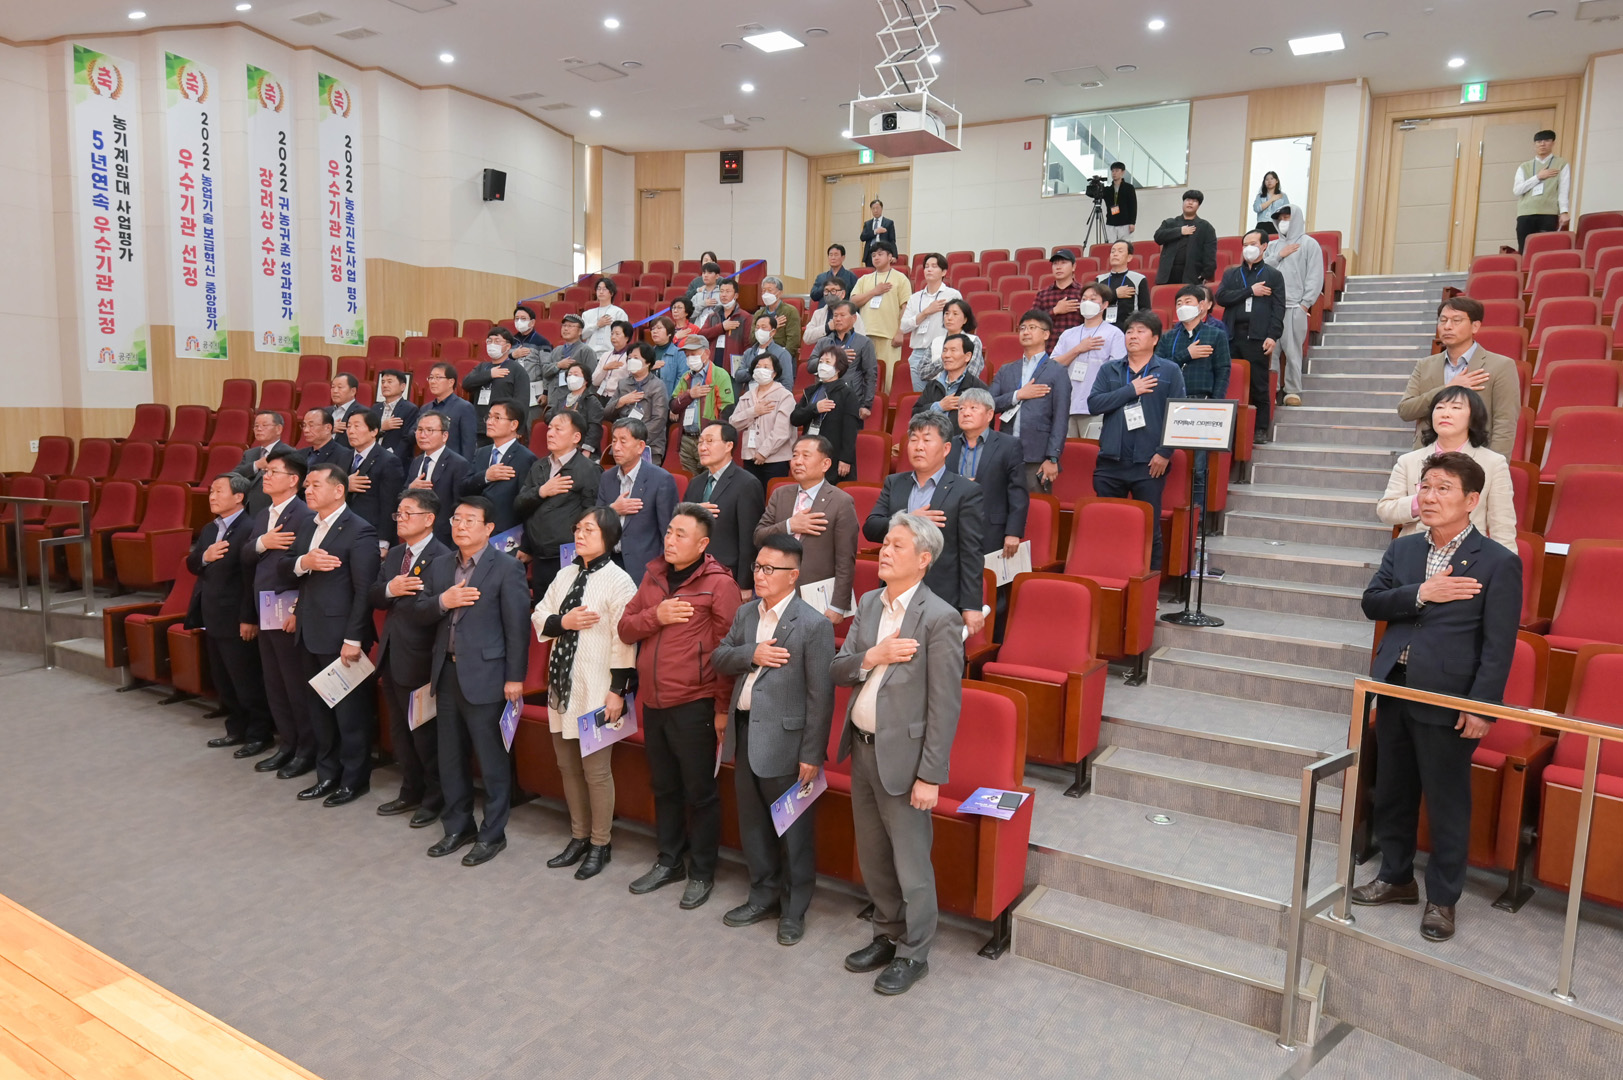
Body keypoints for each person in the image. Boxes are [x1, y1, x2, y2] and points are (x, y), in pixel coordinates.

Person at [1355, 451, 1521, 942]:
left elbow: (1499, 645)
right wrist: (1422, 593)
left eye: (1443, 488)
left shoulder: (1499, 562)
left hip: (1450, 697)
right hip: (1395, 685)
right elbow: (1372, 603)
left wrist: (1481, 707)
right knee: (1394, 791)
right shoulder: (1404, 550)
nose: (1429, 497)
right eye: (1425, 486)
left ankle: (1443, 900)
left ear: (1471, 500)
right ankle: (1396, 878)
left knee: (1447, 803)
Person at [831, 512, 964, 995]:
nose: (884, 551)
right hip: (862, 750)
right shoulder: (869, 603)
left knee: (911, 865)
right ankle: (887, 934)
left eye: (897, 545)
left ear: (923, 559)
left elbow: (945, 706)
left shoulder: (940, 617)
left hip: (906, 763)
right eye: (884, 543)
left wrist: (931, 776)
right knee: (874, 857)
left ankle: (915, 952)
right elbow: (838, 668)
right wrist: (873, 656)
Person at [618, 504, 744, 910]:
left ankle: (702, 871)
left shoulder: (719, 584)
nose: (670, 540)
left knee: (700, 792)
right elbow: (626, 627)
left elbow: (728, 652)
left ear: (702, 544)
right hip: (652, 700)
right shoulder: (653, 574)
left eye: (680, 534)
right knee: (664, 786)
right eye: (669, 531)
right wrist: (657, 615)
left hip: (695, 702)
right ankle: (669, 860)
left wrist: (722, 708)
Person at [713, 533, 837, 945]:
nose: (760, 575)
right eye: (757, 567)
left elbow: (821, 697)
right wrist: (752, 654)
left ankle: (794, 909)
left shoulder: (813, 625)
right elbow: (720, 657)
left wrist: (812, 754)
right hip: (745, 732)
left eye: (770, 569)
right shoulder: (746, 614)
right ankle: (762, 896)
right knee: (753, 826)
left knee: (793, 832)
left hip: (787, 743)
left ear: (793, 575)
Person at [412, 496, 531, 867]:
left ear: (489, 528)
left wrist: (515, 677)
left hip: (488, 677)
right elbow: (419, 611)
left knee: (492, 761)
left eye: (469, 520)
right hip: (446, 673)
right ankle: (458, 826)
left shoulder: (507, 567)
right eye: (456, 519)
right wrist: (443, 601)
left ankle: (493, 834)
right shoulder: (440, 564)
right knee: (450, 757)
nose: (460, 526)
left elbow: (517, 628)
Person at [535, 506, 638, 881]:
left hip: (598, 689)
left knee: (596, 772)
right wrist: (564, 621)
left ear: (609, 537)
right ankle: (578, 836)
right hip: (563, 686)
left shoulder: (620, 581)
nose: (579, 535)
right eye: (577, 529)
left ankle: (600, 843)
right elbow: (540, 615)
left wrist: (617, 691)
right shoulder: (564, 574)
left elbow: (624, 640)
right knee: (567, 766)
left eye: (589, 530)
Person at [278, 461, 381, 807]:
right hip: (309, 630)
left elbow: (365, 590)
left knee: (349, 715)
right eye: (306, 485)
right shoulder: (308, 525)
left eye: (315, 485)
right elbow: (284, 566)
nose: (307, 490)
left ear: (339, 490)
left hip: (341, 637)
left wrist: (353, 639)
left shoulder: (360, 530)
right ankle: (327, 775)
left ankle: (354, 780)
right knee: (319, 710)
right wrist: (304, 563)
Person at [369, 488, 450, 829]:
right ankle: (410, 789)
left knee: (424, 734)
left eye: (407, 513)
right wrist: (392, 589)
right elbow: (375, 594)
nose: (400, 519)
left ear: (429, 519)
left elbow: (437, 611)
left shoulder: (443, 557)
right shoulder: (394, 554)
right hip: (391, 654)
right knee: (400, 732)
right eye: (398, 514)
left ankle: (434, 797)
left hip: (421, 658)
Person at [863, 413, 986, 636]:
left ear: (946, 448)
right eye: (914, 439)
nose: (919, 446)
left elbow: (971, 552)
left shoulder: (965, 491)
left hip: (941, 594)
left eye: (927, 440)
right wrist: (910, 519)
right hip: (893, 593)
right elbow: (871, 528)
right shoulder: (895, 483)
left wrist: (971, 605)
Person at [1088, 311, 1187, 571]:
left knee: (1148, 527)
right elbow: (1094, 404)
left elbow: (1178, 415)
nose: (1133, 335)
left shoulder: (1169, 370)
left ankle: (1149, 584)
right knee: (1107, 526)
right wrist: (1131, 390)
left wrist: (1165, 453)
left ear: (1154, 339)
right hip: (1110, 462)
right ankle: (1110, 576)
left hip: (1149, 463)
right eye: (1129, 331)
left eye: (1140, 331)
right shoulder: (1109, 369)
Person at [188, 472, 274, 757]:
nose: (212, 496)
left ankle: (259, 734)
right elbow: (192, 562)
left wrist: (249, 617)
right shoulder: (210, 529)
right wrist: (205, 556)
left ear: (239, 497)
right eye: (211, 491)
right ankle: (236, 728)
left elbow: (251, 579)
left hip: (237, 618)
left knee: (246, 680)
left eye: (218, 491)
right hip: (212, 615)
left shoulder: (250, 528)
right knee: (224, 681)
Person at [241, 449, 315, 777]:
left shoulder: (305, 515)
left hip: (288, 608)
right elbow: (246, 554)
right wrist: (263, 542)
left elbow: (308, 570)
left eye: (273, 472)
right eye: (266, 472)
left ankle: (306, 749)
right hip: (264, 606)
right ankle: (287, 744)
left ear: (293, 480)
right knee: (274, 682)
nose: (266, 477)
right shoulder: (262, 514)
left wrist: (299, 609)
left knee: (295, 684)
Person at [1378, 387, 1516, 549]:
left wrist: (1505, 563)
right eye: (1440, 407)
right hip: (1415, 550)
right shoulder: (1408, 461)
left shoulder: (1493, 463)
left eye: (1456, 407)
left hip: (1468, 553)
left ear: (1473, 417)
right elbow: (1386, 510)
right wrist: (1422, 500)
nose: (1445, 414)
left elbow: (1502, 526)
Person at [753, 435, 860, 622]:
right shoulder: (780, 494)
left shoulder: (841, 502)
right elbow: (758, 537)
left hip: (815, 596)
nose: (798, 461)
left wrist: (838, 606)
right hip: (775, 592)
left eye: (806, 456)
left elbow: (845, 559)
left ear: (825, 464)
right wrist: (789, 525)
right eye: (795, 455)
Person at [1397, 297, 1518, 458]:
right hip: (1427, 457)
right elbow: (1405, 410)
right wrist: (1448, 388)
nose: (1447, 326)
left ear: (1475, 326)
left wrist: (1494, 465)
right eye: (1443, 320)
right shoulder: (1424, 365)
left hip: (1474, 458)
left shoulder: (1501, 366)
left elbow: (1505, 423)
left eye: (1456, 320)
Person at [514, 410, 603, 599]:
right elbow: (521, 505)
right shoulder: (539, 466)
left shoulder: (588, 470)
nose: (550, 433)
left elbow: (592, 514)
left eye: (558, 429)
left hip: (568, 557)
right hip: (539, 556)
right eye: (549, 428)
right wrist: (541, 491)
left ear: (576, 437)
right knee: (542, 611)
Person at [1157, 283, 1231, 509]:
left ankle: (1197, 514)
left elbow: (1223, 371)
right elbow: (1159, 367)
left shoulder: (1216, 335)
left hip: (1202, 404)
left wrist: (1216, 405)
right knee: (1169, 459)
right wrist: (1187, 354)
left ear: (1201, 306)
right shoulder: (1168, 337)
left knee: (1199, 465)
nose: (1182, 306)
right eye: (1178, 303)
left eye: (1187, 302)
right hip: (1170, 405)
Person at [1215, 231, 1288, 444]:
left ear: (1264, 246)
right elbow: (1221, 297)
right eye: (1245, 244)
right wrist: (1250, 291)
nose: (1248, 248)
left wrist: (1273, 336)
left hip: (1257, 337)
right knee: (1228, 381)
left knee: (1259, 384)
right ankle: (1227, 428)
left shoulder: (1274, 275)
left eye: (1253, 243)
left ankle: (1260, 428)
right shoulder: (1232, 274)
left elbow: (1278, 309)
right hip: (1231, 335)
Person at [989, 309, 1069, 492]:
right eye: (1023, 328)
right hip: (1005, 451)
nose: (1025, 332)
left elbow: (1061, 418)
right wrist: (1018, 395)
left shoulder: (1057, 371)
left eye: (1032, 328)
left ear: (1046, 334)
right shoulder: (1007, 370)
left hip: (1037, 455)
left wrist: (1052, 458)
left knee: (1035, 505)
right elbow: (987, 404)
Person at [596, 417, 678, 586]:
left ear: (640, 446)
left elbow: (668, 531)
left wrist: (662, 572)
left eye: (623, 441)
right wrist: (612, 510)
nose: (616, 447)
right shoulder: (607, 477)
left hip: (644, 568)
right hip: (609, 564)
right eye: (614, 441)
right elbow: (595, 520)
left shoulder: (661, 479)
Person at [687, 421, 767, 592]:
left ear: (728, 446)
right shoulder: (695, 483)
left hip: (727, 575)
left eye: (710, 441)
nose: (702, 447)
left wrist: (745, 584)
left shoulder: (747, 483)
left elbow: (749, 539)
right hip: (692, 572)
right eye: (700, 442)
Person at [946, 388, 1027, 557]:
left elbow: (1018, 493)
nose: (965, 413)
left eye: (973, 408)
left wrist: (1013, 532)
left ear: (990, 415)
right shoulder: (949, 446)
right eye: (961, 409)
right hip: (952, 529)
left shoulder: (1009, 445)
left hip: (992, 530)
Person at [1262, 203, 1323, 408]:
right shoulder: (1272, 246)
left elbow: (1315, 275)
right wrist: (1280, 255)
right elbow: (1261, 270)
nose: (1283, 222)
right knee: (1270, 352)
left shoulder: (1309, 244)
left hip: (1295, 307)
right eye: (1280, 218)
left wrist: (1305, 304)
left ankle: (1292, 390)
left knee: (1293, 351)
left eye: (1287, 218)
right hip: (1271, 308)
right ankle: (1272, 390)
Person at [1053, 282, 1127, 439]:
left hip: (1097, 408)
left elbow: (1118, 371)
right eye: (1084, 299)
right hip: (1067, 407)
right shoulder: (1068, 334)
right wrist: (1078, 349)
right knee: (1068, 451)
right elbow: (1053, 366)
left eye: (1093, 299)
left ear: (1105, 305)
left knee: (1092, 450)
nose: (1087, 303)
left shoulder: (1114, 334)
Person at [458, 401, 538, 536]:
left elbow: (526, 503)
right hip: (476, 530)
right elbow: (463, 488)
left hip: (506, 534)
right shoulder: (481, 452)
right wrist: (485, 476)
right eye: (489, 417)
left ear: (514, 425)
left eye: (497, 418)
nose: (490, 422)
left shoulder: (525, 458)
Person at [792, 344, 861, 483]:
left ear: (838, 368)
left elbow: (850, 429)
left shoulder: (847, 393)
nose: (823, 365)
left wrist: (846, 459)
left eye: (828, 362)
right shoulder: (810, 391)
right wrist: (814, 408)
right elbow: (795, 418)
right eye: (821, 361)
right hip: (810, 451)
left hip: (834, 454)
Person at [730, 349, 797, 488]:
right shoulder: (747, 396)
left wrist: (763, 452)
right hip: (750, 456)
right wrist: (753, 411)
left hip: (775, 459)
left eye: (766, 367)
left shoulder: (784, 396)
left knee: (773, 495)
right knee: (752, 496)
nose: (761, 370)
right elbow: (733, 422)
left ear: (774, 373)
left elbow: (782, 431)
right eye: (758, 367)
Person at [404, 412, 472, 548]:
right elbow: (402, 495)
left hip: (443, 537)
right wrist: (410, 489)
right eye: (420, 430)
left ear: (445, 436)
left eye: (430, 430)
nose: (423, 435)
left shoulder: (458, 464)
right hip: (415, 533)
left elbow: (460, 504)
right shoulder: (416, 462)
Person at [671, 336, 736, 474]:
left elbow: (727, 409)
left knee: (711, 479)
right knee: (690, 482)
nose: (690, 358)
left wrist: (717, 438)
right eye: (687, 355)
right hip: (687, 440)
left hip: (709, 440)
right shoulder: (686, 377)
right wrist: (689, 395)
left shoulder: (720, 375)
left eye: (693, 354)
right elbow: (673, 406)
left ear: (706, 353)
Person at [899, 253, 962, 391]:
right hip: (917, 353)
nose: (929, 269)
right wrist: (926, 312)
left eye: (934, 266)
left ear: (943, 272)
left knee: (942, 396)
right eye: (926, 266)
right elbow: (904, 326)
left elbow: (959, 323)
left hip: (942, 352)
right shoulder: (915, 298)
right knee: (921, 399)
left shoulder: (952, 295)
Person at [343, 409, 405, 549]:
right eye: (348, 426)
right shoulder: (343, 457)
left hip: (370, 533)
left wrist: (383, 541)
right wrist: (345, 484)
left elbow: (390, 505)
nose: (351, 431)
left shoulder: (389, 461)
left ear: (374, 431)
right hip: (344, 529)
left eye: (357, 426)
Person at [850, 242, 911, 383]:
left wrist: (900, 332)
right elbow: (853, 301)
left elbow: (906, 307)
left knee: (887, 379)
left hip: (889, 336)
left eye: (880, 254)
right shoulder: (864, 279)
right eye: (873, 255)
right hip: (865, 335)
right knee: (864, 377)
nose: (876, 258)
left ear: (890, 257)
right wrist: (874, 292)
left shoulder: (900, 278)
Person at [603, 341, 671, 465]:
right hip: (623, 445)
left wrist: (635, 440)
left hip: (649, 445)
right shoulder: (623, 383)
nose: (631, 361)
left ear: (648, 362)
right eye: (629, 358)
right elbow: (606, 413)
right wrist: (621, 401)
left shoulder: (657, 385)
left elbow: (659, 420)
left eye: (636, 358)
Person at [912, 332, 989, 439]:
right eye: (945, 350)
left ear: (967, 357)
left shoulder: (978, 388)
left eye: (953, 350)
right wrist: (939, 406)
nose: (947, 355)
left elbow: (985, 426)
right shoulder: (933, 385)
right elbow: (915, 414)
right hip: (932, 443)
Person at [465, 327, 532, 440]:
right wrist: (489, 374)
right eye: (489, 341)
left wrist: (519, 428)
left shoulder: (517, 370)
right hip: (481, 427)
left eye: (497, 341)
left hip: (504, 428)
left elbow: (522, 401)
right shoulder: (482, 367)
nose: (492, 344)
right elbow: (467, 384)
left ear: (508, 346)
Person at [815, 300, 879, 419]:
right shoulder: (824, 342)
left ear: (854, 318)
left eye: (842, 315)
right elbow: (810, 366)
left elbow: (870, 375)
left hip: (851, 400)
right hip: (824, 398)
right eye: (835, 315)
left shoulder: (864, 342)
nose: (838, 319)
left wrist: (866, 405)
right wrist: (834, 356)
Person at [1513, 129, 1571, 252]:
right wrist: (1538, 177)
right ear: (1534, 145)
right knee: (1525, 250)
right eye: (1539, 141)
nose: (1542, 144)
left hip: (1548, 213)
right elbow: (1517, 190)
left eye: (1546, 140)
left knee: (1546, 249)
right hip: (1525, 213)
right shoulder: (1524, 166)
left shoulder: (1561, 164)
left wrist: (1564, 211)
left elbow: (1563, 190)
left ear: (1553, 143)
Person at [538, 314, 598, 429]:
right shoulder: (557, 350)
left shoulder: (586, 351)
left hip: (573, 404)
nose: (566, 329)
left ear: (580, 331)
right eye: (564, 326)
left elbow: (592, 379)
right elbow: (545, 372)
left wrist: (584, 403)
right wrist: (558, 365)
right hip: (554, 401)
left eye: (570, 326)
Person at [412, 363, 478, 461]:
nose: (433, 381)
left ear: (451, 382)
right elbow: (414, 433)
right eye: (431, 378)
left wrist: (465, 467)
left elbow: (468, 444)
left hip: (452, 464)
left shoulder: (464, 407)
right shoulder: (425, 408)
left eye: (438, 378)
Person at [235, 409, 296, 513]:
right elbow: (234, 476)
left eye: (264, 425)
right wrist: (256, 465)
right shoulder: (250, 453)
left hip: (271, 510)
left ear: (279, 429)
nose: (259, 429)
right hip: (245, 509)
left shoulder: (288, 453)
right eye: (256, 426)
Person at [543, 356, 606, 457]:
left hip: (581, 449)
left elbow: (595, 428)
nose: (572, 377)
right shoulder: (562, 399)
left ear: (585, 380)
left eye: (576, 375)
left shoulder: (591, 400)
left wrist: (587, 449)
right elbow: (548, 417)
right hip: (560, 446)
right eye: (569, 375)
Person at [1154, 189, 1217, 286]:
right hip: (1167, 276)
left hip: (1192, 276)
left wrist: (1204, 275)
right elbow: (1158, 237)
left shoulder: (1206, 227)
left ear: (1198, 206)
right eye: (1188, 200)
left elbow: (1210, 254)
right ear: (1183, 202)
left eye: (1194, 201)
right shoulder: (1170, 223)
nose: (1190, 203)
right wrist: (1179, 231)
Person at [732, 312, 796, 394]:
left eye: (763, 327)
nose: (759, 330)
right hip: (750, 395)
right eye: (757, 327)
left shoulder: (782, 354)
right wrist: (754, 370)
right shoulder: (749, 352)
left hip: (772, 396)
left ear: (773, 332)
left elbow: (787, 383)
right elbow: (738, 376)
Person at [1098, 240, 1151, 332]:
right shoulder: (1099, 279)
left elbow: (1145, 311)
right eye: (1112, 251)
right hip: (1103, 329)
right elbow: (1095, 304)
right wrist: (1115, 294)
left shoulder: (1138, 279)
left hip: (1129, 329)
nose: (1115, 254)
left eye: (1120, 251)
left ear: (1129, 257)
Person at [926, 298, 984, 380]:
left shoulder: (973, 341)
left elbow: (973, 372)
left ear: (965, 320)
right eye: (946, 313)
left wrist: (952, 384)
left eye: (955, 314)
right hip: (936, 386)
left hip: (964, 387)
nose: (949, 318)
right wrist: (943, 361)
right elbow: (923, 373)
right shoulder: (936, 341)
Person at [1035, 248, 1086, 339]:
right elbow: (1032, 322)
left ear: (1073, 266)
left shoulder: (1083, 292)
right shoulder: (1043, 294)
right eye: (1055, 264)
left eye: (1063, 263)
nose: (1058, 267)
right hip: (1049, 345)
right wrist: (1054, 311)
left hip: (1077, 345)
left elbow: (1092, 322)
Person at [801, 278, 867, 346]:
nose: (829, 294)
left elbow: (862, 340)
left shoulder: (852, 314)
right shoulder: (818, 314)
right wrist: (827, 327)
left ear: (843, 294)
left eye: (833, 291)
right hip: (824, 351)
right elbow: (806, 338)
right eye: (826, 291)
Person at [700, 278, 752, 364]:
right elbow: (702, 335)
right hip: (713, 362)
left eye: (728, 291)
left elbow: (748, 345)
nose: (724, 295)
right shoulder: (713, 316)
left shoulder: (745, 317)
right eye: (721, 291)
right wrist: (722, 327)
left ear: (736, 295)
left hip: (734, 363)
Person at [372, 369, 419, 460]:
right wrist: (381, 428)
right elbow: (368, 433)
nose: (385, 385)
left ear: (402, 387)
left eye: (389, 382)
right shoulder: (375, 408)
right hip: (373, 457)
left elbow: (407, 440)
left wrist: (391, 459)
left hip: (396, 459)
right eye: (383, 382)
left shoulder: (410, 409)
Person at [591, 320, 637, 404]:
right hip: (602, 396)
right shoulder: (605, 355)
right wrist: (604, 369)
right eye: (612, 334)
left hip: (621, 397)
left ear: (627, 338)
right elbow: (594, 381)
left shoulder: (631, 356)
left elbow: (633, 381)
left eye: (617, 334)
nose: (613, 337)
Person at [583, 277, 628, 356]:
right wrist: (597, 325)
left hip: (611, 354)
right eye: (598, 289)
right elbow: (582, 335)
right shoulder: (587, 314)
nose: (601, 292)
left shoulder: (619, 313)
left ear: (611, 293)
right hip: (590, 355)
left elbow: (624, 336)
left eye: (604, 289)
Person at [754, 277, 801, 352]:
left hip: (782, 352)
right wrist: (772, 327)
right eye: (764, 290)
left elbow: (793, 341)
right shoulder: (759, 314)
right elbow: (752, 339)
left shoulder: (790, 311)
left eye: (770, 290)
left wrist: (783, 355)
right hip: (761, 352)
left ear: (780, 293)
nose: (766, 294)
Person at [647, 314, 687, 398]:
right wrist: (648, 368)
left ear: (669, 333)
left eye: (659, 328)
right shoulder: (647, 353)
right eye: (653, 329)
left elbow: (682, 380)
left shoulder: (679, 353)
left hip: (668, 400)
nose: (654, 331)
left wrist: (673, 401)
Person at [301, 407, 349, 472]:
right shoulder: (300, 454)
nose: (306, 430)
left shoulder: (343, 455)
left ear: (328, 428)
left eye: (311, 425)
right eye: (304, 425)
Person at [509, 303, 553, 370]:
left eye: (523, 318)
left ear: (532, 322)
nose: (519, 321)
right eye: (517, 319)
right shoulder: (510, 340)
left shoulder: (542, 342)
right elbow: (501, 363)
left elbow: (546, 368)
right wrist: (512, 355)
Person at [1102, 161, 1137, 243]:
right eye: (1112, 171)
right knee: (1111, 245)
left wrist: (1132, 222)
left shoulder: (1129, 188)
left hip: (1125, 223)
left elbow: (1133, 206)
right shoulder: (1108, 190)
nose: (1114, 173)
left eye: (1117, 171)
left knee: (1125, 245)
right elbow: (1093, 195)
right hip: (1111, 222)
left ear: (1123, 172)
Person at [858, 198, 896, 267]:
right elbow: (862, 237)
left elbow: (892, 240)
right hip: (870, 252)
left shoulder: (888, 223)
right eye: (873, 208)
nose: (875, 210)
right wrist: (875, 232)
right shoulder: (867, 223)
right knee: (870, 272)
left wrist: (894, 255)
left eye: (877, 208)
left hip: (883, 251)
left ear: (881, 208)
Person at [327, 373, 363, 443]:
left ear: (353, 391)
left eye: (340, 387)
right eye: (333, 387)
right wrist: (328, 429)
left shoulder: (362, 412)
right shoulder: (325, 412)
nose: (335, 391)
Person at [1252, 171, 1289, 237]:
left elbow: (1287, 211)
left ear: (1276, 181)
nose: (1269, 181)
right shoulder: (1260, 196)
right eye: (1267, 179)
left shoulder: (1283, 196)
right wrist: (1272, 199)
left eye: (1272, 179)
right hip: (1262, 224)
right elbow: (1256, 208)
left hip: (1276, 224)